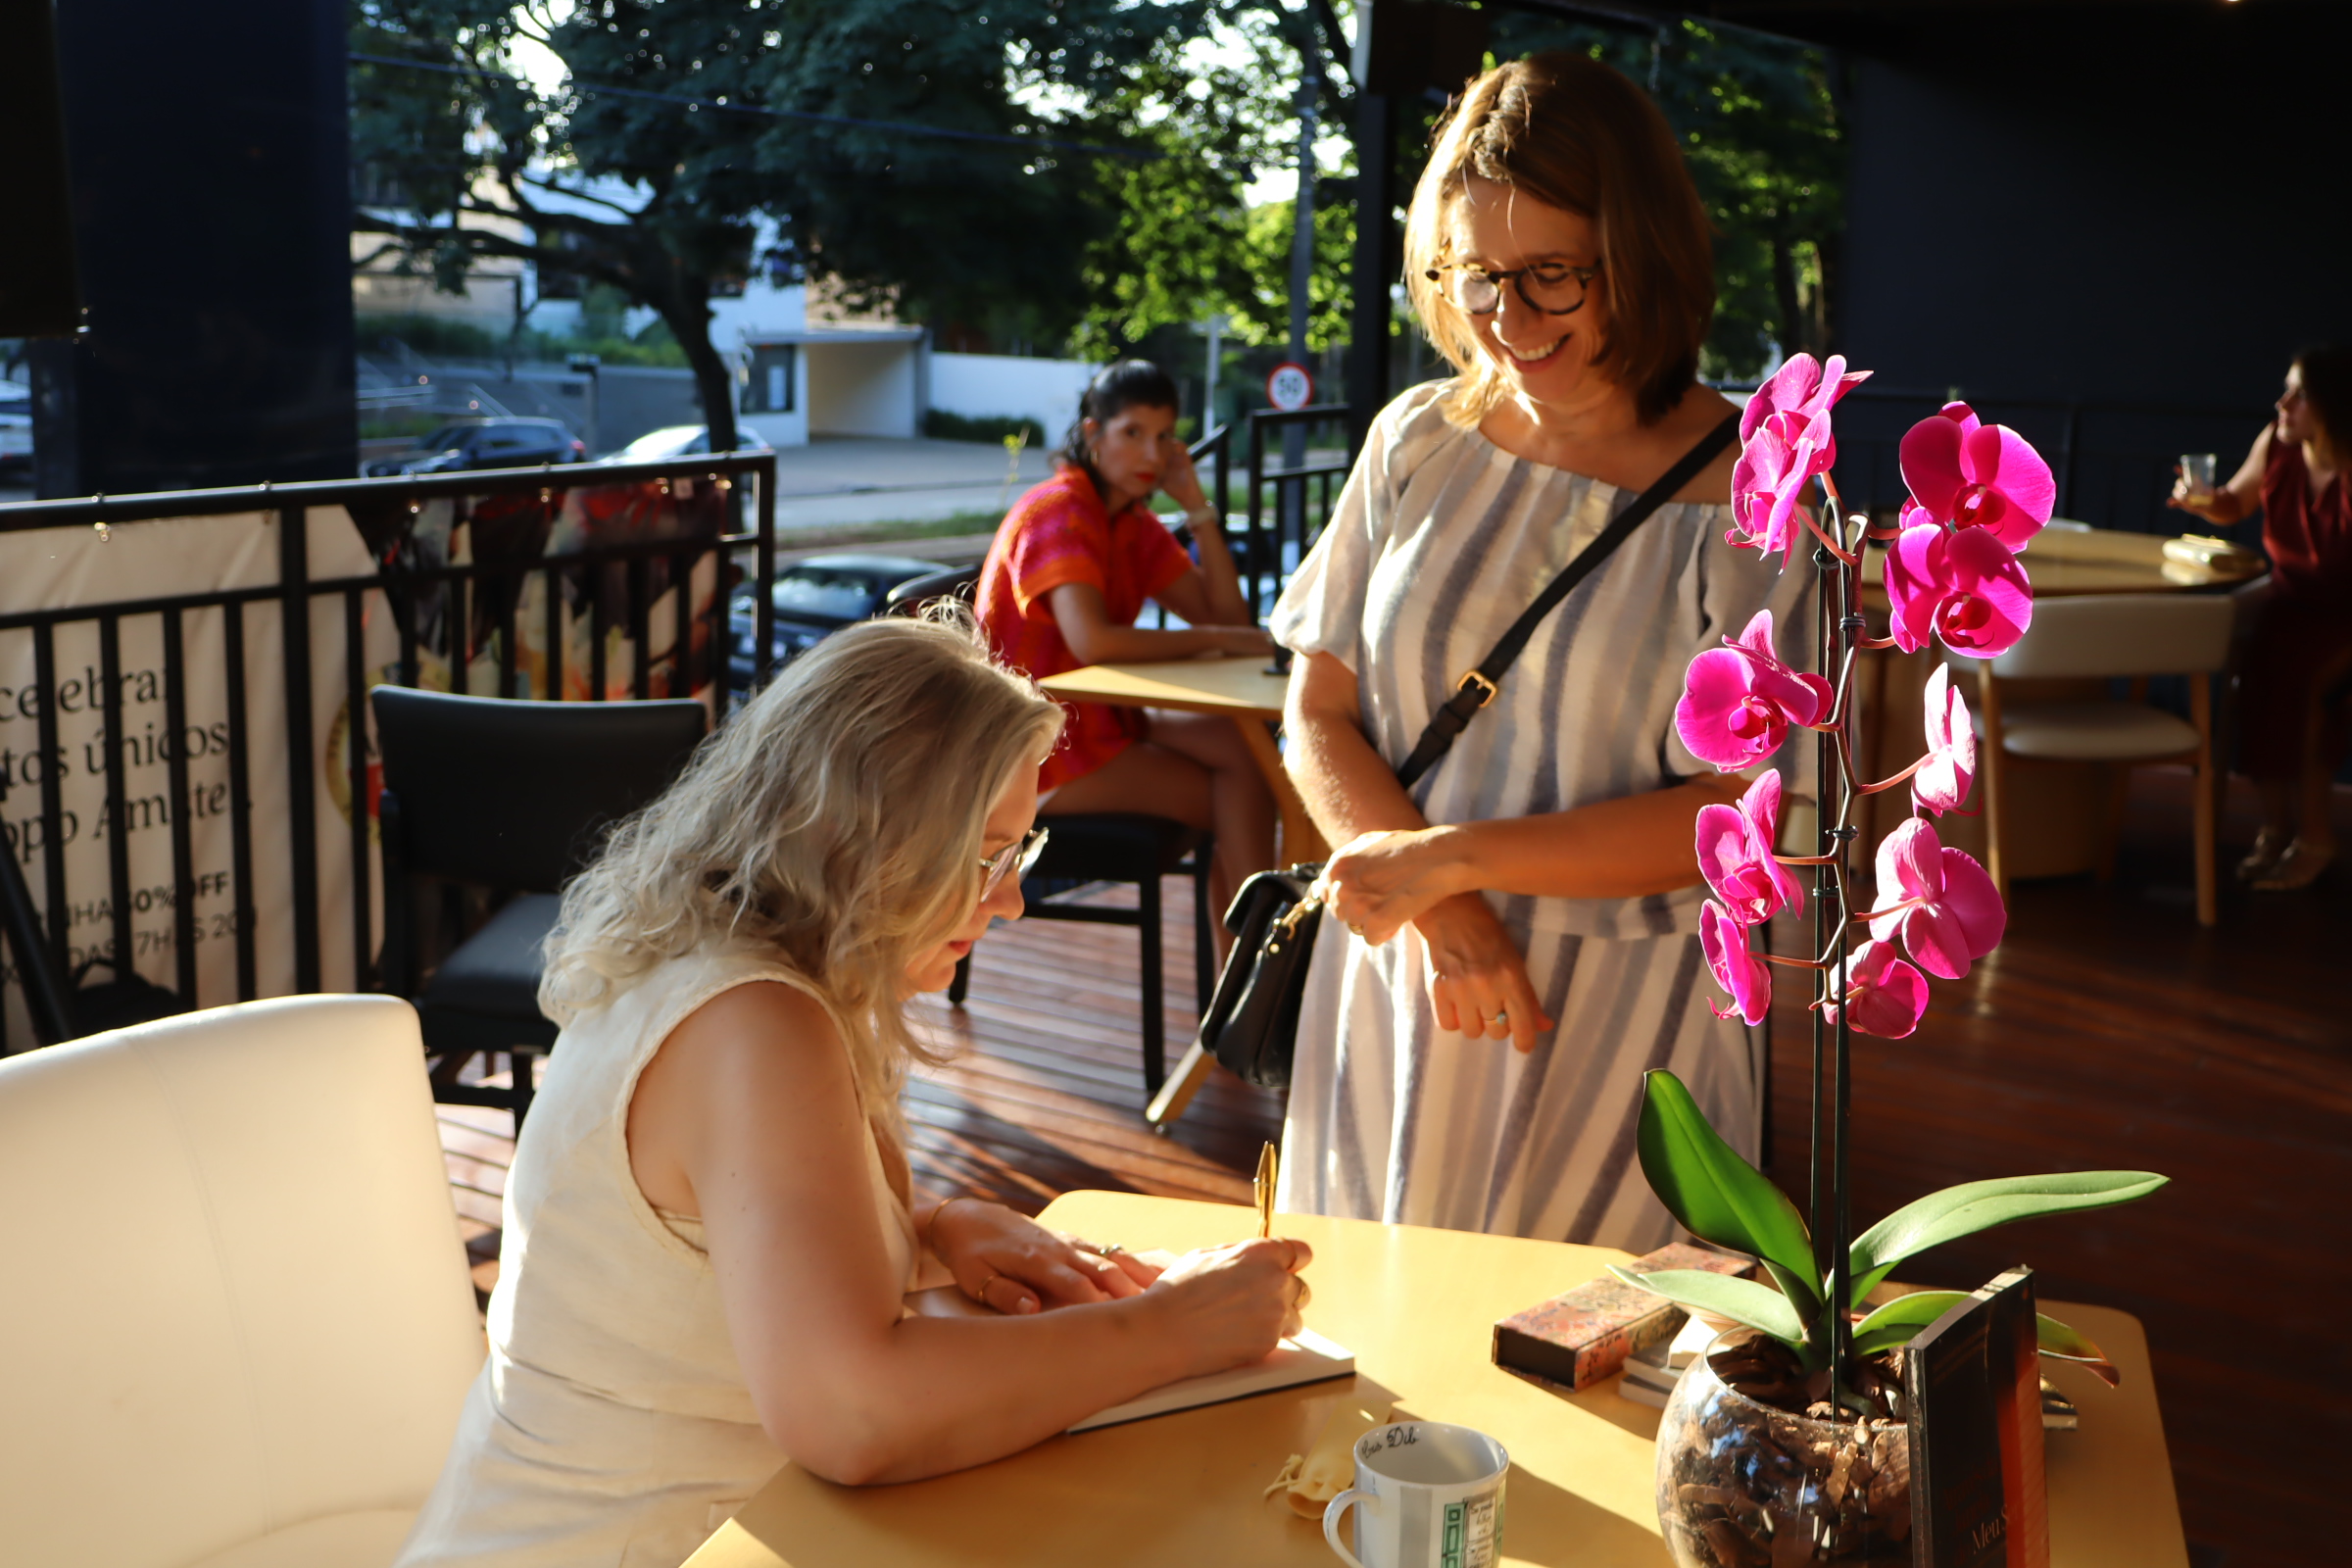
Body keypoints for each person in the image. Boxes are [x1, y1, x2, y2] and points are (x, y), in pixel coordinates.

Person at [393, 615, 1310, 1568]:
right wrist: (1170, 1328)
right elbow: (850, 1410)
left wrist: (926, 1229)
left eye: (1019, 852)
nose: (1010, 901)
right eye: (987, 854)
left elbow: (717, 1248)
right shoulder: (754, 1024)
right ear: (869, 839)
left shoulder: (735, 964)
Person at [1270, 54, 1812, 1250]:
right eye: (1475, 275)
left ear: (1643, 253)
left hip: (1624, 1016)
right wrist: (1440, 903)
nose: (1505, 322)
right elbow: (1314, 707)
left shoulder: (1762, 497)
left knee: (1587, 1371)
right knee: (1373, 1362)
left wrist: (1445, 859)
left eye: (1551, 276)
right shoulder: (1417, 439)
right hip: (1407, 973)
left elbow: (1752, 811)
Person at [974, 361, 1276, 936]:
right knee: (1235, 798)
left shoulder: (1129, 522)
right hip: (1031, 748)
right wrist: (1217, 641)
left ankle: (1248, 973)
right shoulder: (1059, 511)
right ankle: (1257, 965)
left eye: (1164, 437)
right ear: (1093, 435)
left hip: (1095, 717)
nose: (1151, 455)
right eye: (1132, 433)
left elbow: (1225, 616)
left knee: (1247, 755)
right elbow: (1095, 640)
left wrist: (1196, 506)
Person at [2170, 346, 2352, 892]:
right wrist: (2201, 501)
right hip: (2288, 602)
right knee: (2253, 689)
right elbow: (2234, 503)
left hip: (2344, 616)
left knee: (2306, 692)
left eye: (2299, 394)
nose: (2283, 403)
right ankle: (2276, 828)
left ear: (2335, 406)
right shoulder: (2277, 444)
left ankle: (2316, 836)